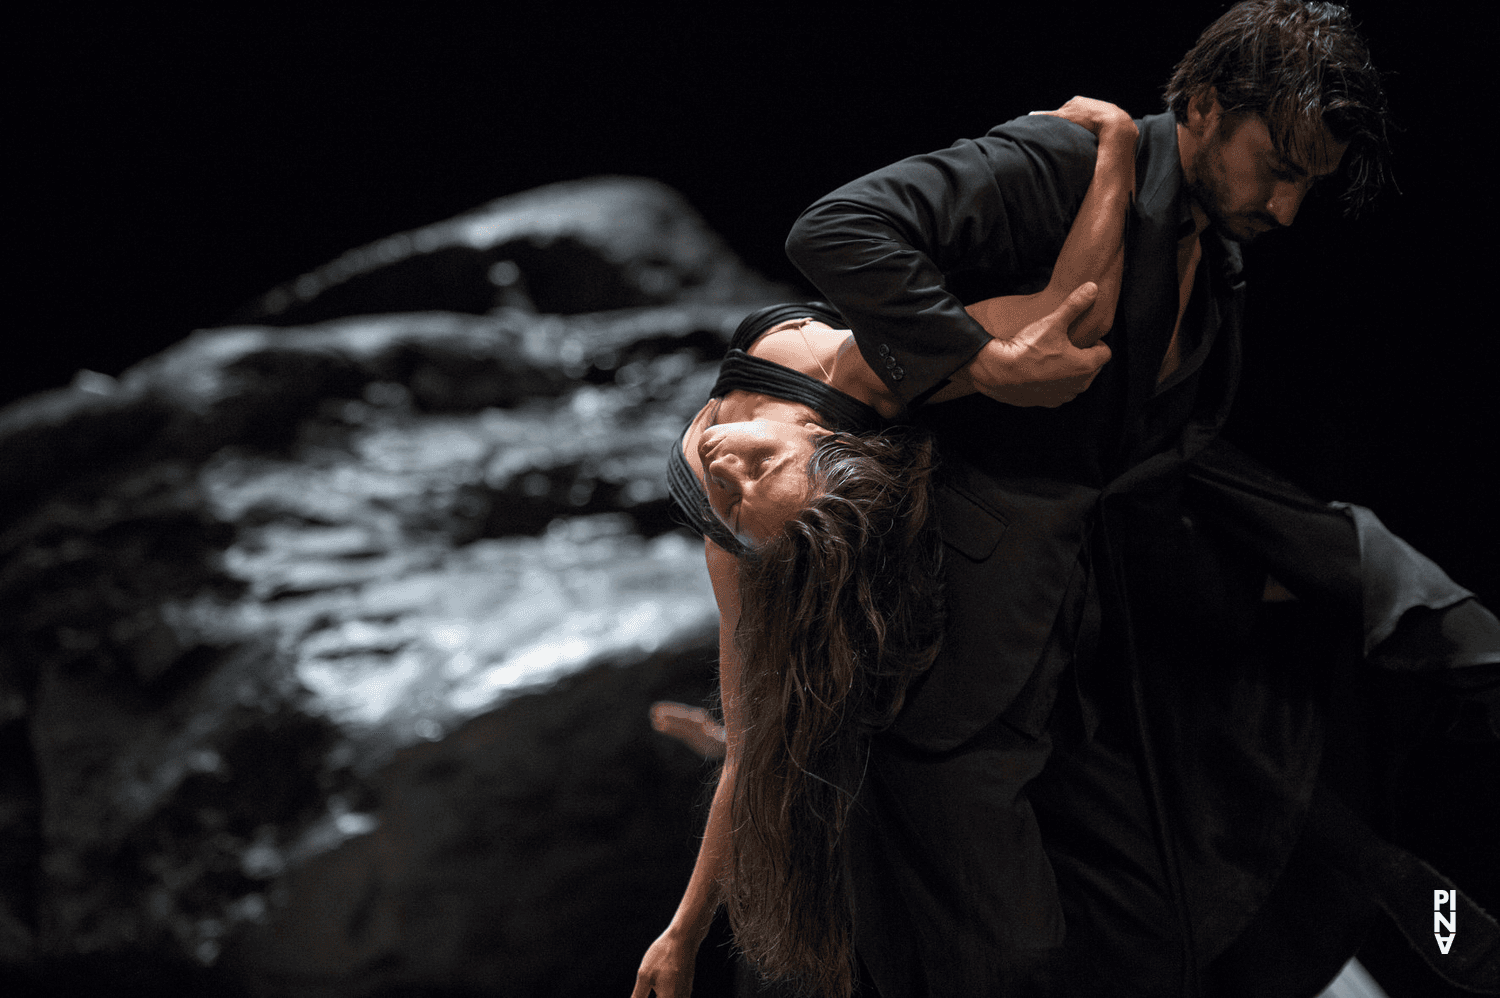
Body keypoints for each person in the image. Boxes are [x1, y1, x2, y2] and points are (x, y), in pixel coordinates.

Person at [780, 2, 1500, 997]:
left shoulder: (1218, 257)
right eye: (1278, 165)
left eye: (1310, 184)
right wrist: (986, 362)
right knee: (1006, 954)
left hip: (1078, 648)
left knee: (1160, 909)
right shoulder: (1067, 163)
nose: (1288, 207)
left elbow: (1155, 460)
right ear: (1203, 102)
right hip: (952, 651)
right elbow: (839, 230)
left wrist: (1323, 583)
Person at [632, 100, 1141, 998]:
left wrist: (680, 936)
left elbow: (752, 754)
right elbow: (1075, 312)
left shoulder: (735, 531)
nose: (727, 469)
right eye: (762, 467)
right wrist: (1118, 149)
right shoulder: (860, 377)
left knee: (789, 748)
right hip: (869, 456)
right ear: (821, 448)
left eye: (740, 495)